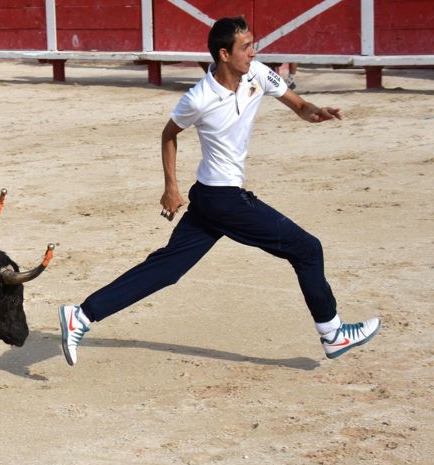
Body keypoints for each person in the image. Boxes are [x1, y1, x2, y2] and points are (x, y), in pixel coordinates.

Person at [58, 16, 379, 366]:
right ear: (224, 54)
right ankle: (332, 333)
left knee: (166, 269)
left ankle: (82, 315)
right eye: (246, 47)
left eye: (253, 44)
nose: (253, 52)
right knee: (307, 249)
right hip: (224, 200)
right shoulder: (199, 98)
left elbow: (298, 104)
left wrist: (314, 112)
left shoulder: (256, 73)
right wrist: (170, 188)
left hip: (211, 199)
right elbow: (168, 135)